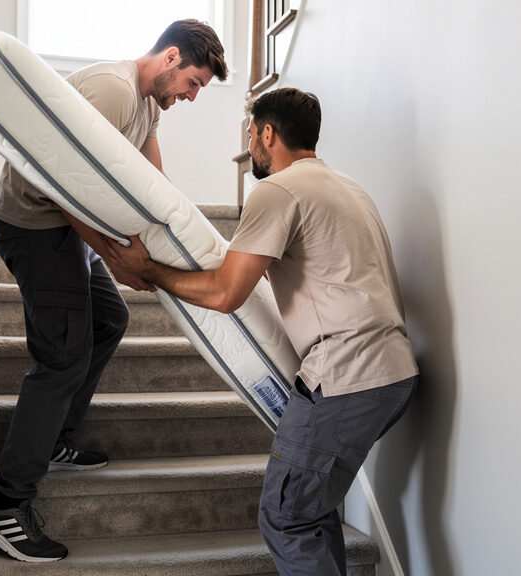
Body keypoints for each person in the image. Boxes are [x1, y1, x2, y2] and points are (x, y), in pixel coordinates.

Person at [104, 87, 418, 575]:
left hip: (344, 378)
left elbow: (226, 292)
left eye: (251, 134)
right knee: (311, 514)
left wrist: (151, 271)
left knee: (285, 520)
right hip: (394, 374)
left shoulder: (277, 190)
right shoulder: (350, 188)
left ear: (267, 133)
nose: (250, 145)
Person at [0, 19, 228, 563]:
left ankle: (53, 437)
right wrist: (112, 253)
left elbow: (155, 186)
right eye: (194, 82)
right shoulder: (112, 91)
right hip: (34, 222)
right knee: (62, 357)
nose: (192, 96)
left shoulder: (150, 104)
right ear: (172, 58)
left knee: (110, 320)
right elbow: (58, 182)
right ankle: (3, 503)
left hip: (65, 226)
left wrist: (171, 247)